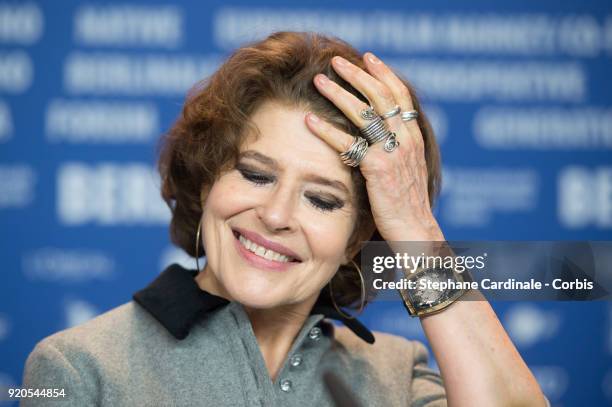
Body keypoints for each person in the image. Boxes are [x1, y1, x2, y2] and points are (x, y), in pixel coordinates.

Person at [21, 31, 549, 406]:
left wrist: (416, 228)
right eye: (254, 174)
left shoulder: (397, 375)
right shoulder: (78, 366)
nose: (275, 215)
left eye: (322, 200)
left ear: (356, 239)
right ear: (207, 181)